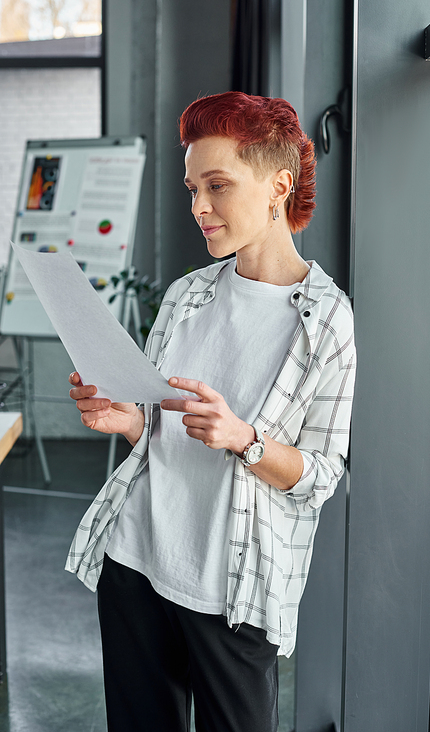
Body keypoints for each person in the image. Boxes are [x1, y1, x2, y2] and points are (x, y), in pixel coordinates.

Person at [66, 91, 356, 732]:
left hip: (232, 589)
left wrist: (244, 439)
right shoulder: (187, 295)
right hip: (137, 560)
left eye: (218, 185)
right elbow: (159, 423)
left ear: (279, 185)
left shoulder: (326, 320)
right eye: (195, 186)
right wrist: (127, 418)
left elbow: (319, 477)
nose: (199, 206)